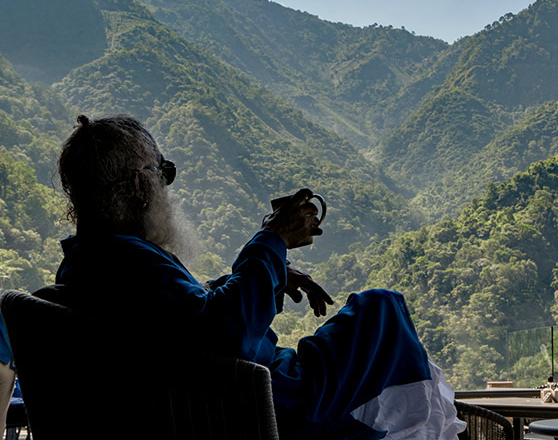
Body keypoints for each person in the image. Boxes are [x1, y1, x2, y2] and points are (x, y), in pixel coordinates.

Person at [55, 114, 465, 439]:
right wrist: (273, 238)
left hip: (226, 394)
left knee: (377, 317)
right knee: (381, 309)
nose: (167, 187)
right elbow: (225, 330)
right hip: (262, 402)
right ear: (143, 187)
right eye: (165, 173)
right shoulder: (128, 261)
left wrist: (270, 272)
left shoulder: (89, 264)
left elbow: (185, 314)